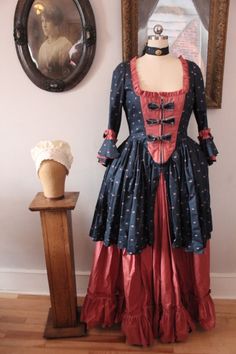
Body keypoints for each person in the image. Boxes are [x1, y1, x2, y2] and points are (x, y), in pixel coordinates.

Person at [80, 29, 218, 346]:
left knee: (181, 232)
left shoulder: (191, 70)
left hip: (184, 168)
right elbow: (112, 123)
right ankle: (135, 308)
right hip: (134, 168)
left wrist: (207, 144)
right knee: (134, 235)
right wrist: (108, 146)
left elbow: (201, 121)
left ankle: (177, 307)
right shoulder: (122, 72)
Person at [37, 4, 72, 79]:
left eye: (47, 21)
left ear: (56, 23)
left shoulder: (65, 44)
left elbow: (66, 71)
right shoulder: (42, 47)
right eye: (42, 21)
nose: (44, 25)